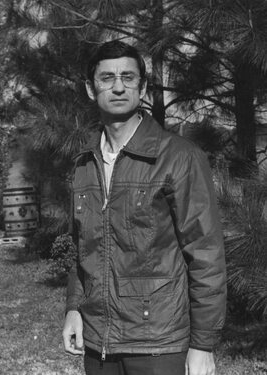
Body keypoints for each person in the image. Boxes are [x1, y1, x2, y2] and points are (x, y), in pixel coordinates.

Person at [62, 40, 226, 375]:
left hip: (160, 345)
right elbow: (83, 249)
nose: (118, 86)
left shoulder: (178, 157)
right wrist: (74, 308)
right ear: (91, 90)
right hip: (99, 343)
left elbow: (206, 254)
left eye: (128, 77)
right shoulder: (84, 165)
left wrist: (203, 345)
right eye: (107, 78)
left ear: (143, 87)